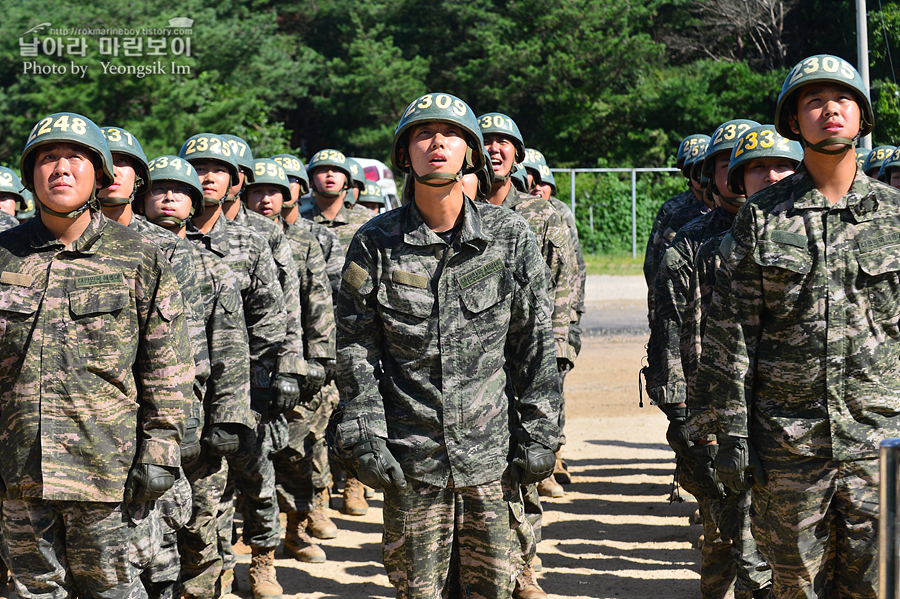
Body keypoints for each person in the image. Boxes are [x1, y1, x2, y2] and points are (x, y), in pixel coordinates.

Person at [328, 92, 560, 599]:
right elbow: (355, 351)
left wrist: (543, 432)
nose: (437, 143)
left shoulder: (510, 237)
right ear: (404, 154)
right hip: (413, 462)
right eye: (422, 134)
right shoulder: (374, 242)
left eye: (451, 134)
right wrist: (364, 434)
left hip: (492, 459)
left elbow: (534, 345)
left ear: (470, 152)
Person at [691, 54, 900, 599]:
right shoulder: (762, 217)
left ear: (862, 117)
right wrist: (732, 435)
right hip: (788, 445)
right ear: (792, 121)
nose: (829, 108)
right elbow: (730, 336)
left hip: (882, 441)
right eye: (813, 100)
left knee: (882, 584)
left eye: (842, 99)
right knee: (794, 586)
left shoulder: (896, 216)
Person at [0, 111, 193, 599]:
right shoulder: (3, 255)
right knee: (32, 592)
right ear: (30, 176)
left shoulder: (140, 256)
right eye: (47, 158)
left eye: (74, 158)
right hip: (18, 471)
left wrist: (161, 453)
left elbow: (167, 369)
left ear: (100, 176)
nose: (60, 168)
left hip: (107, 471)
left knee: (112, 591)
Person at [179, 132, 297, 599]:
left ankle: (263, 558)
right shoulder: (161, 236)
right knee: (204, 489)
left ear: (237, 180)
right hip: (181, 387)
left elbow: (280, 312)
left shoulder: (257, 237)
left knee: (255, 474)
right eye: (198, 166)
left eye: (218, 168)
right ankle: (214, 569)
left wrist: (278, 371)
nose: (206, 176)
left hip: (244, 384)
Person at [139, 154, 255, 599]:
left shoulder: (211, 267)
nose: (169, 198)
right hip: (144, 424)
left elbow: (230, 348)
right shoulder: (125, 255)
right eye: (159, 189)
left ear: (195, 204)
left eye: (181, 191)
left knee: (203, 523)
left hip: (200, 423)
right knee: (153, 533)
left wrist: (227, 418)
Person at [303, 148, 373, 516]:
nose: (329, 176)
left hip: (356, 330)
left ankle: (355, 485)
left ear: (348, 180)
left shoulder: (366, 221)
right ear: (311, 177)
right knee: (316, 416)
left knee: (357, 408)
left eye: (336, 171)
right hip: (314, 331)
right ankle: (318, 494)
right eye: (321, 170)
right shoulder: (298, 220)